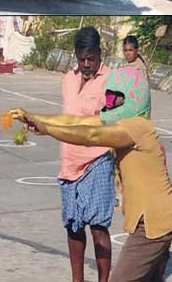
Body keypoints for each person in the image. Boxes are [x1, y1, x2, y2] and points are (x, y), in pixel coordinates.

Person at [10, 66, 172, 282]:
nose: (108, 103)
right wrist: (34, 118)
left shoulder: (136, 127)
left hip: (155, 221)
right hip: (163, 217)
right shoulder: (124, 122)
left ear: (133, 98)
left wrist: (48, 130)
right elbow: (76, 121)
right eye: (108, 96)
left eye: (115, 98)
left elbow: (91, 135)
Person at [58, 26, 114, 282]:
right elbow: (65, 119)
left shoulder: (111, 80)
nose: (87, 64)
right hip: (69, 162)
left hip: (97, 160)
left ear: (100, 53)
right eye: (82, 59)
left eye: (91, 58)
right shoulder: (69, 78)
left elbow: (114, 120)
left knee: (98, 227)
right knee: (73, 226)